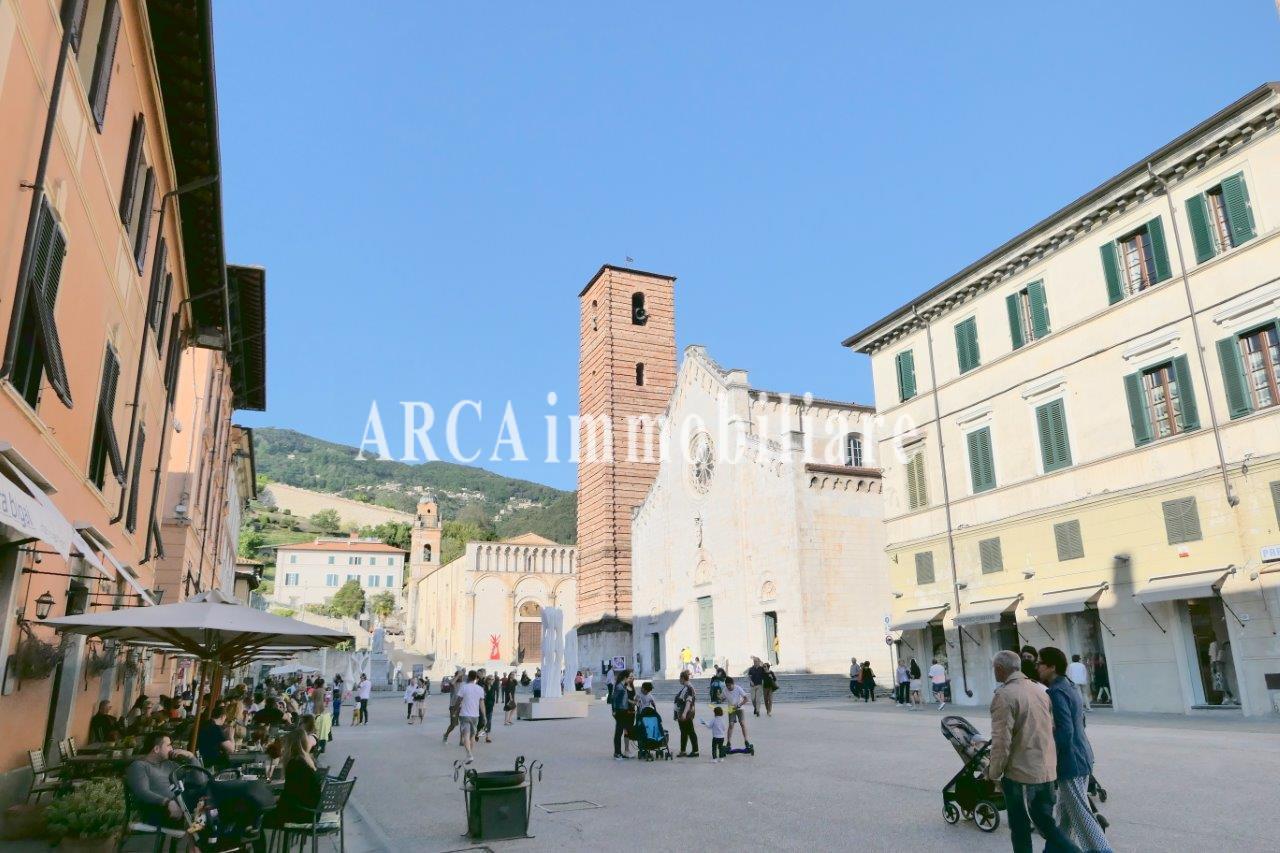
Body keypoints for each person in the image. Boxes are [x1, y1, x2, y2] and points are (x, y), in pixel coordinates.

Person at [986, 649, 1078, 853]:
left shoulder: (1004, 695)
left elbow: (1001, 741)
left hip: (1020, 773)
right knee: (1047, 825)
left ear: (1000, 669)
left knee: (1019, 827)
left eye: (994, 668)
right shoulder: (1039, 689)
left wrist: (994, 772)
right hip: (1045, 768)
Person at [1038, 647, 1111, 852]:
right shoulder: (1068, 686)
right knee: (1065, 815)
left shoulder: (1055, 691)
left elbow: (1065, 731)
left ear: (1051, 666)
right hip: (1082, 755)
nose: (1037, 667)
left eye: (1040, 663)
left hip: (1071, 761)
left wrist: (1050, 757)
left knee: (1081, 815)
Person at [124, 733, 196, 828]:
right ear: (156, 749)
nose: (172, 749)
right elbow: (142, 792)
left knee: (211, 794)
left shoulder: (169, 764)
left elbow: (199, 780)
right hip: (159, 810)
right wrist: (167, 802)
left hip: (182, 803)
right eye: (168, 745)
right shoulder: (139, 766)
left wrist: (191, 757)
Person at [270, 728, 325, 826]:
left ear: (290, 746)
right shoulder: (307, 761)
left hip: (301, 813)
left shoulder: (295, 764)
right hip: (312, 812)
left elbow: (289, 795)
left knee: (257, 816)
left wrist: (273, 800)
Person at [455, 671, 487, 764]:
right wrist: (484, 716)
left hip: (464, 714)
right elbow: (482, 703)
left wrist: (455, 710)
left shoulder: (464, 687)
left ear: (468, 677)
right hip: (475, 716)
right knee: (472, 736)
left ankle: (469, 755)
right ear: (476, 678)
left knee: (466, 735)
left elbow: (458, 700)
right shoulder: (480, 689)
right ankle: (470, 754)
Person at [196, 704, 234, 771]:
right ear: (223, 717)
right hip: (212, 762)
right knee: (233, 762)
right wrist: (231, 736)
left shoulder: (205, 724)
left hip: (202, 758)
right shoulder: (215, 728)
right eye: (225, 718)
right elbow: (231, 749)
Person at [674, 670, 699, 757]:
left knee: (690, 731)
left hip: (686, 713)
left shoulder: (688, 688)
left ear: (683, 678)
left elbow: (689, 701)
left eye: (679, 678)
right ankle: (683, 750)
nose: (679, 680)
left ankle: (695, 751)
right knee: (684, 732)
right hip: (683, 713)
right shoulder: (686, 687)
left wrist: (684, 714)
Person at [722, 676, 751, 751]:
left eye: (729, 685)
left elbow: (746, 699)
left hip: (739, 708)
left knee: (742, 723)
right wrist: (720, 698)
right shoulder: (725, 690)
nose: (728, 687)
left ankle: (746, 741)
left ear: (733, 684)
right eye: (727, 685)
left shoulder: (738, 688)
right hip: (731, 708)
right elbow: (722, 698)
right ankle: (728, 742)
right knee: (731, 725)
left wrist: (739, 705)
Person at [610, 668, 633, 760]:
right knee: (618, 733)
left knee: (621, 731)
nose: (631, 679)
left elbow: (624, 699)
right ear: (625, 678)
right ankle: (617, 753)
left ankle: (619, 752)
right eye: (629, 677)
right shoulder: (619, 687)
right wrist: (614, 710)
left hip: (624, 711)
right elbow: (614, 699)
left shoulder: (623, 686)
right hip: (619, 711)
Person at [312, 678, 330, 753]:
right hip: (324, 711)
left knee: (317, 729)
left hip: (316, 710)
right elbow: (327, 700)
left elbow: (312, 699)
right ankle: (323, 747)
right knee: (324, 730)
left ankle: (316, 746)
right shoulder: (324, 691)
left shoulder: (315, 691)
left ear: (316, 684)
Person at [482, 674, 499, 742]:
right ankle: (477, 734)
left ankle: (487, 737)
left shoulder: (493, 687)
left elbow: (493, 697)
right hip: (483, 706)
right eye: (490, 679)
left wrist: (493, 704)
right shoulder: (484, 687)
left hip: (490, 707)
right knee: (482, 722)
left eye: (493, 679)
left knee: (489, 722)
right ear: (487, 680)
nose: (491, 680)